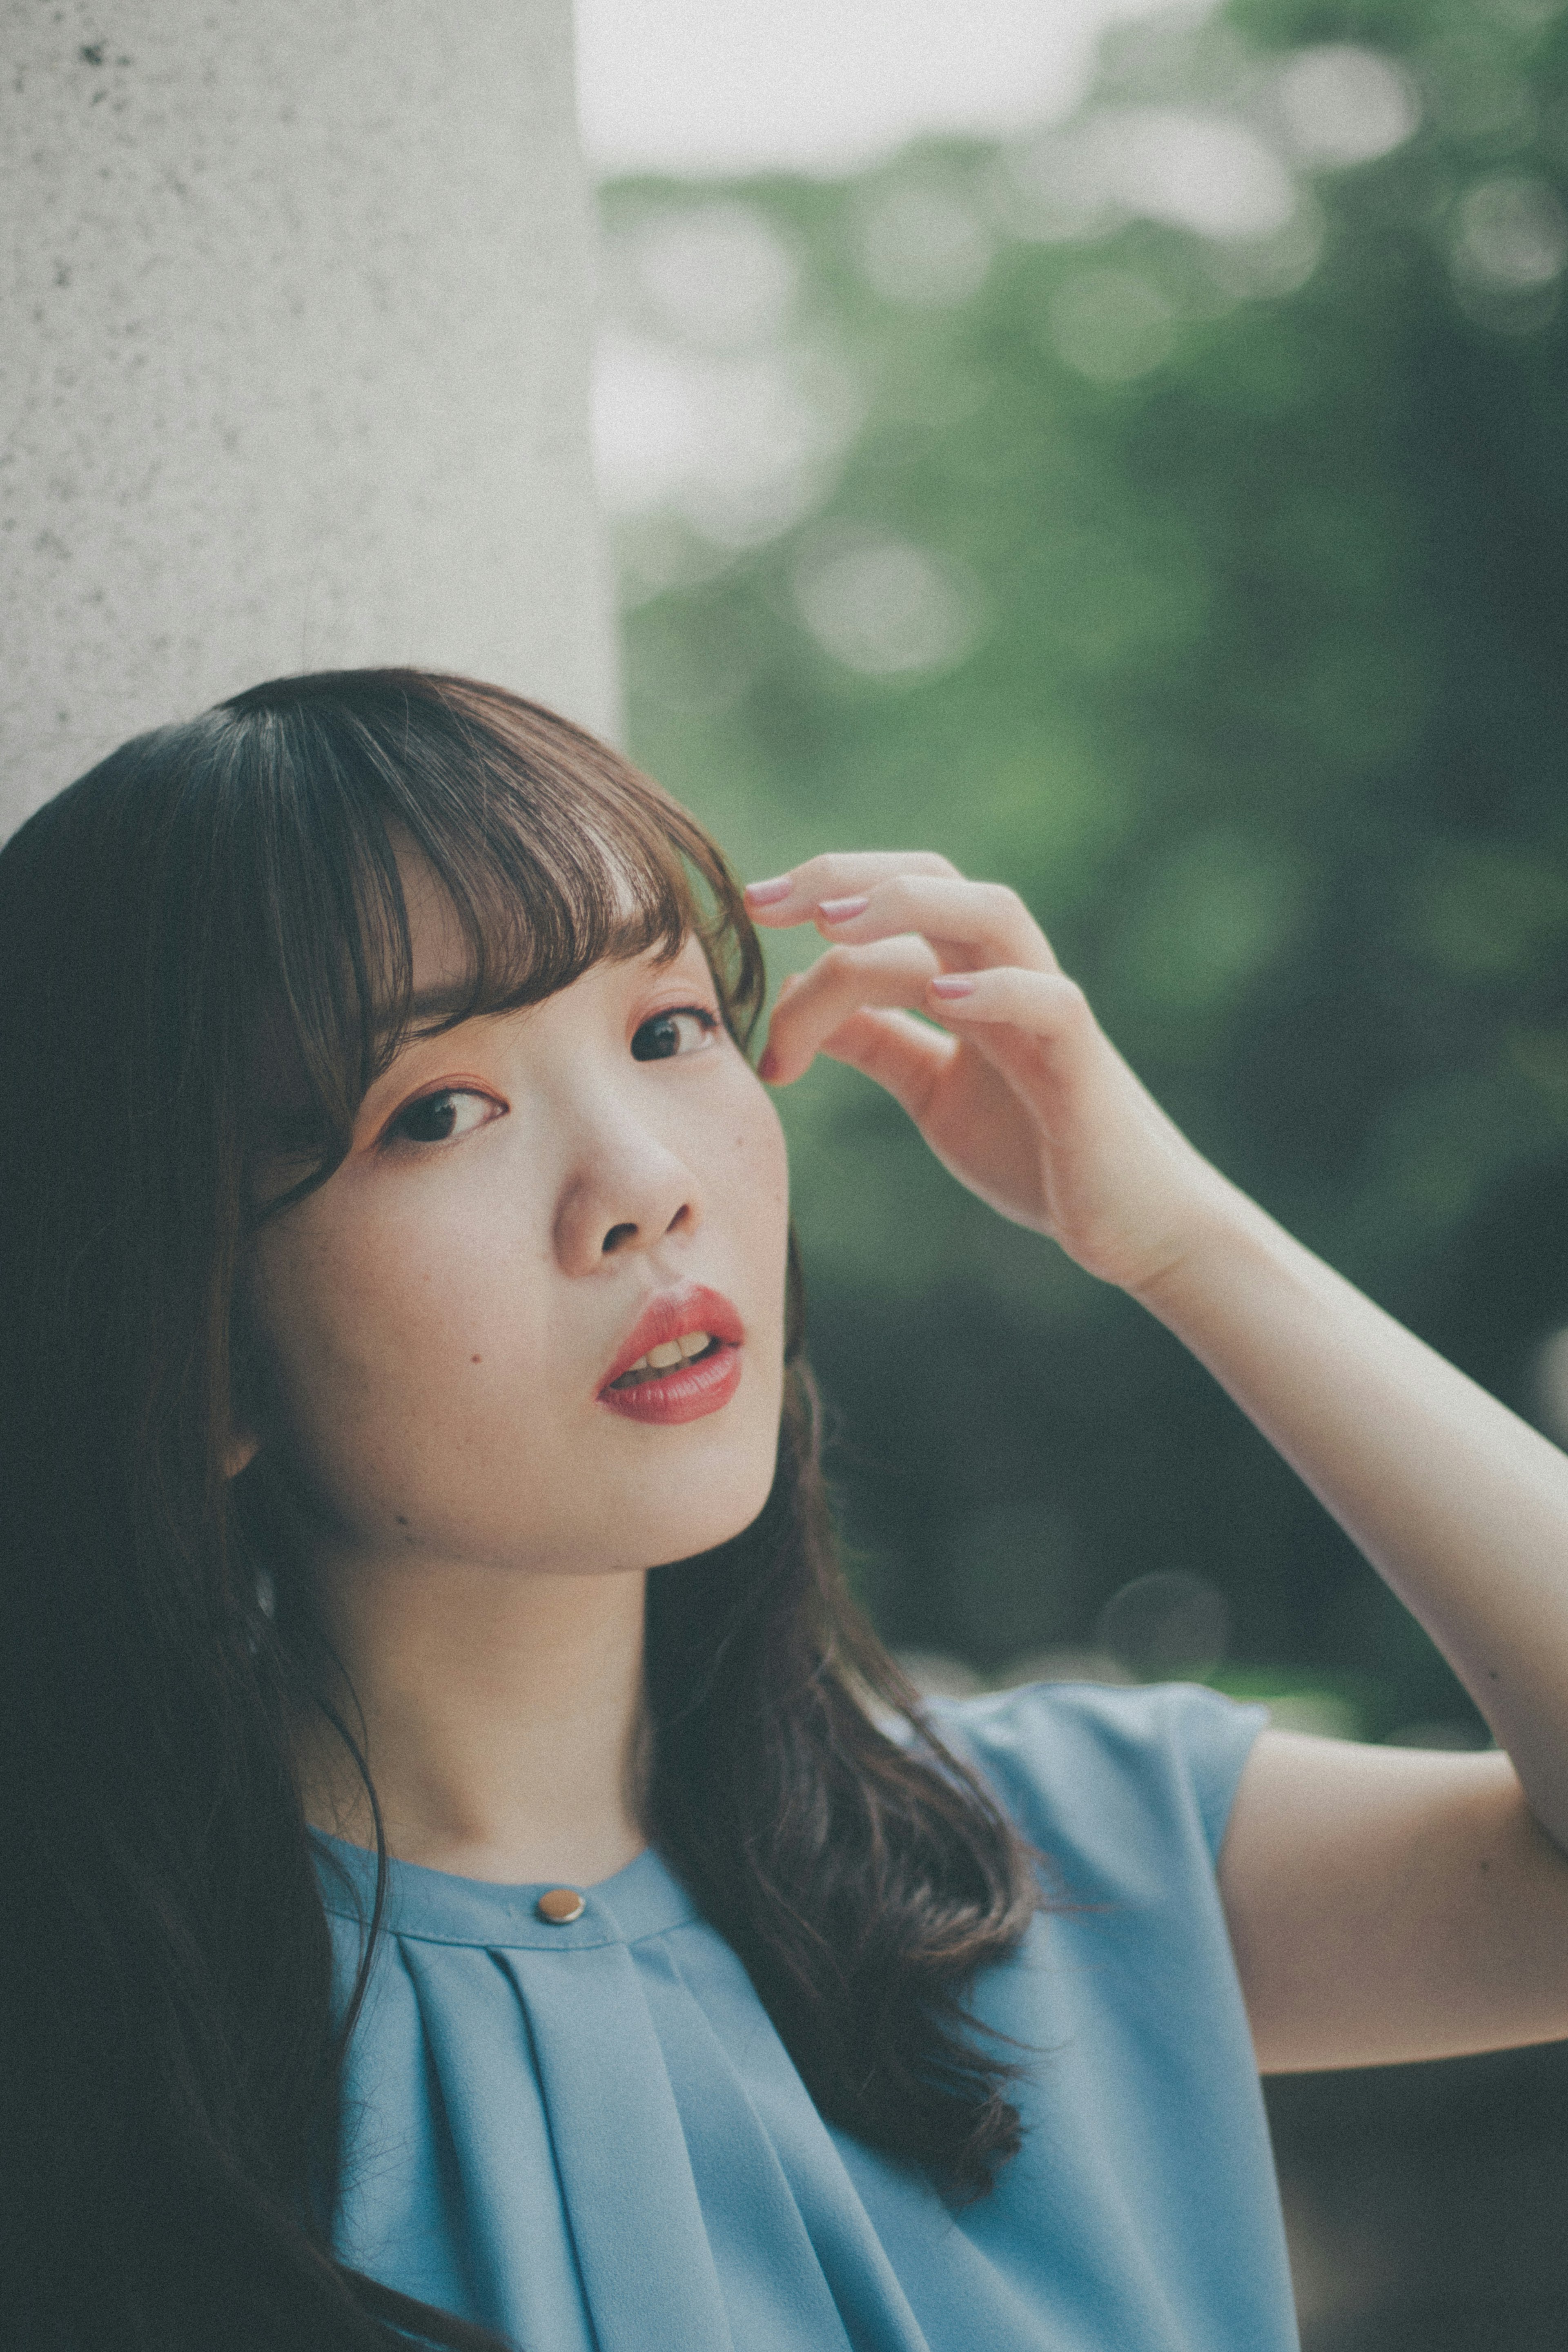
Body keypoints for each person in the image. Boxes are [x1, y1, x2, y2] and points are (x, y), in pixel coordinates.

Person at [2, 667, 1566, 2352]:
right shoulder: (98, 2069)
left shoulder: (1066, 1863)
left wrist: (1179, 1240)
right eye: (436, 1110)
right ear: (194, 1339)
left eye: (669, 1030)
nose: (645, 1184)